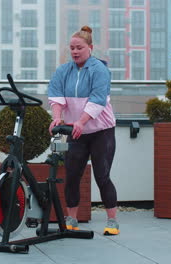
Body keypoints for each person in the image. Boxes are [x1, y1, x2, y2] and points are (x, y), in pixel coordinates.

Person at [47, 25, 119, 235]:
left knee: (102, 175)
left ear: (90, 47)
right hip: (76, 133)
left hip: (101, 131)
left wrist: (81, 121)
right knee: (72, 175)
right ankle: (72, 219)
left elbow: (98, 100)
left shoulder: (100, 70)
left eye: (79, 47)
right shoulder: (63, 71)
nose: (75, 52)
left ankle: (112, 221)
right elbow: (56, 96)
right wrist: (57, 118)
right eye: (72, 48)